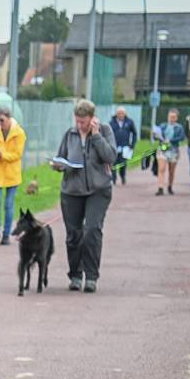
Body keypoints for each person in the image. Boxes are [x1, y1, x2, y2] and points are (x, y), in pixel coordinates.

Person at [51, 99, 116, 293]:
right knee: (73, 235)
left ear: (92, 119)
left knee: (92, 231)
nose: (80, 125)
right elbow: (61, 156)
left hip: (98, 190)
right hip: (71, 191)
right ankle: (76, 275)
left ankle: (92, 277)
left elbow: (110, 156)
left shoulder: (104, 131)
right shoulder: (69, 135)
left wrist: (95, 136)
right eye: (77, 121)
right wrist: (58, 165)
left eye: (84, 121)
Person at [0, 106, 25, 245]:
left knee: (8, 204)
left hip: (12, 174)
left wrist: (2, 154)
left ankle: (6, 234)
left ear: (9, 118)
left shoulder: (19, 133)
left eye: (2, 120)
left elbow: (17, 154)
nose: (0, 123)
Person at [155, 109, 184, 196]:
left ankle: (170, 186)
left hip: (173, 150)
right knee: (161, 169)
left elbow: (182, 137)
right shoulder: (163, 126)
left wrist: (170, 140)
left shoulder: (179, 127)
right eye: (170, 117)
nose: (171, 118)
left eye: (173, 117)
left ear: (176, 118)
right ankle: (160, 188)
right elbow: (157, 135)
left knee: (171, 171)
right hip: (162, 149)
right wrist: (156, 135)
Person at [108, 106, 137, 185]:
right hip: (114, 146)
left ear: (125, 114)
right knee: (113, 163)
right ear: (116, 114)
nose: (120, 115)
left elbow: (134, 133)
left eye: (122, 113)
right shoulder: (111, 122)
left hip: (125, 147)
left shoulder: (129, 122)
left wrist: (132, 144)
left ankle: (123, 176)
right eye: (119, 113)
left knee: (123, 163)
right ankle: (113, 179)